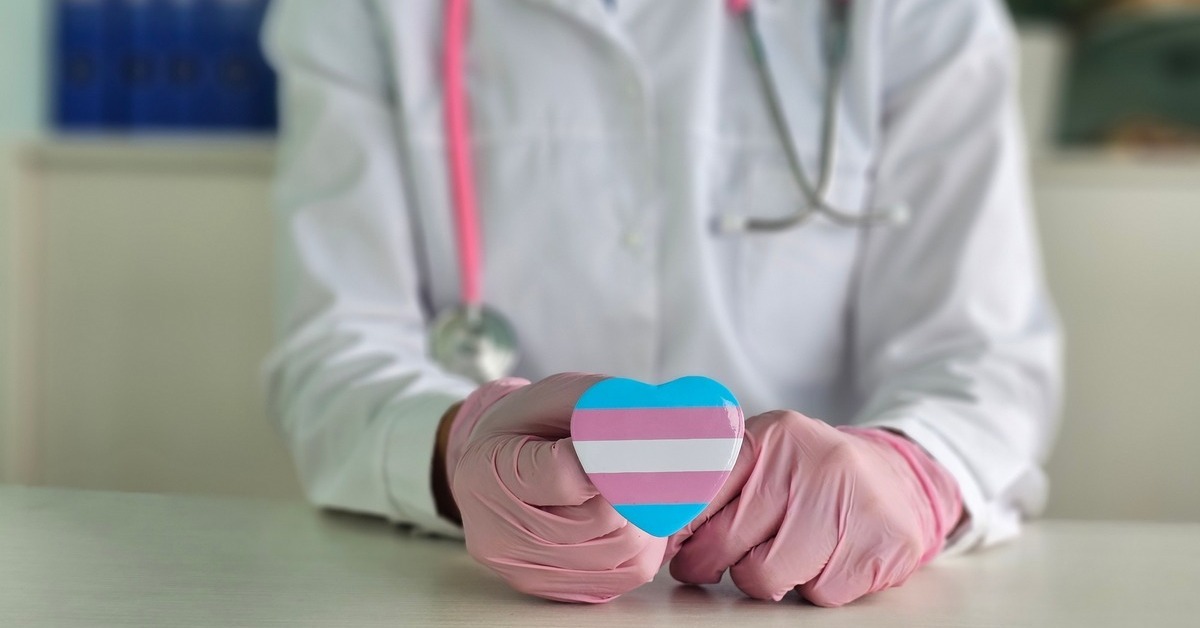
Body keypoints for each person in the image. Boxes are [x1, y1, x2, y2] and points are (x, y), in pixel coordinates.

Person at [262, 0, 1062, 606]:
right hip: (485, 600)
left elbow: (981, 354)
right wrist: (457, 448)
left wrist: (914, 472)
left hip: (821, 607)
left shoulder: (922, 14)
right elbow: (337, 346)